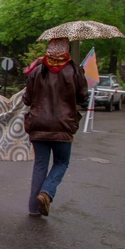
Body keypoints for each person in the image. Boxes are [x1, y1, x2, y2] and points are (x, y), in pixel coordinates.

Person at [22, 37, 89, 217]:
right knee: (61, 162)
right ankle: (47, 192)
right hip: (64, 125)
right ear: (65, 50)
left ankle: (33, 208)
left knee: (40, 164)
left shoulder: (38, 70)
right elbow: (83, 98)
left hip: (38, 124)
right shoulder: (75, 70)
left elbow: (27, 99)